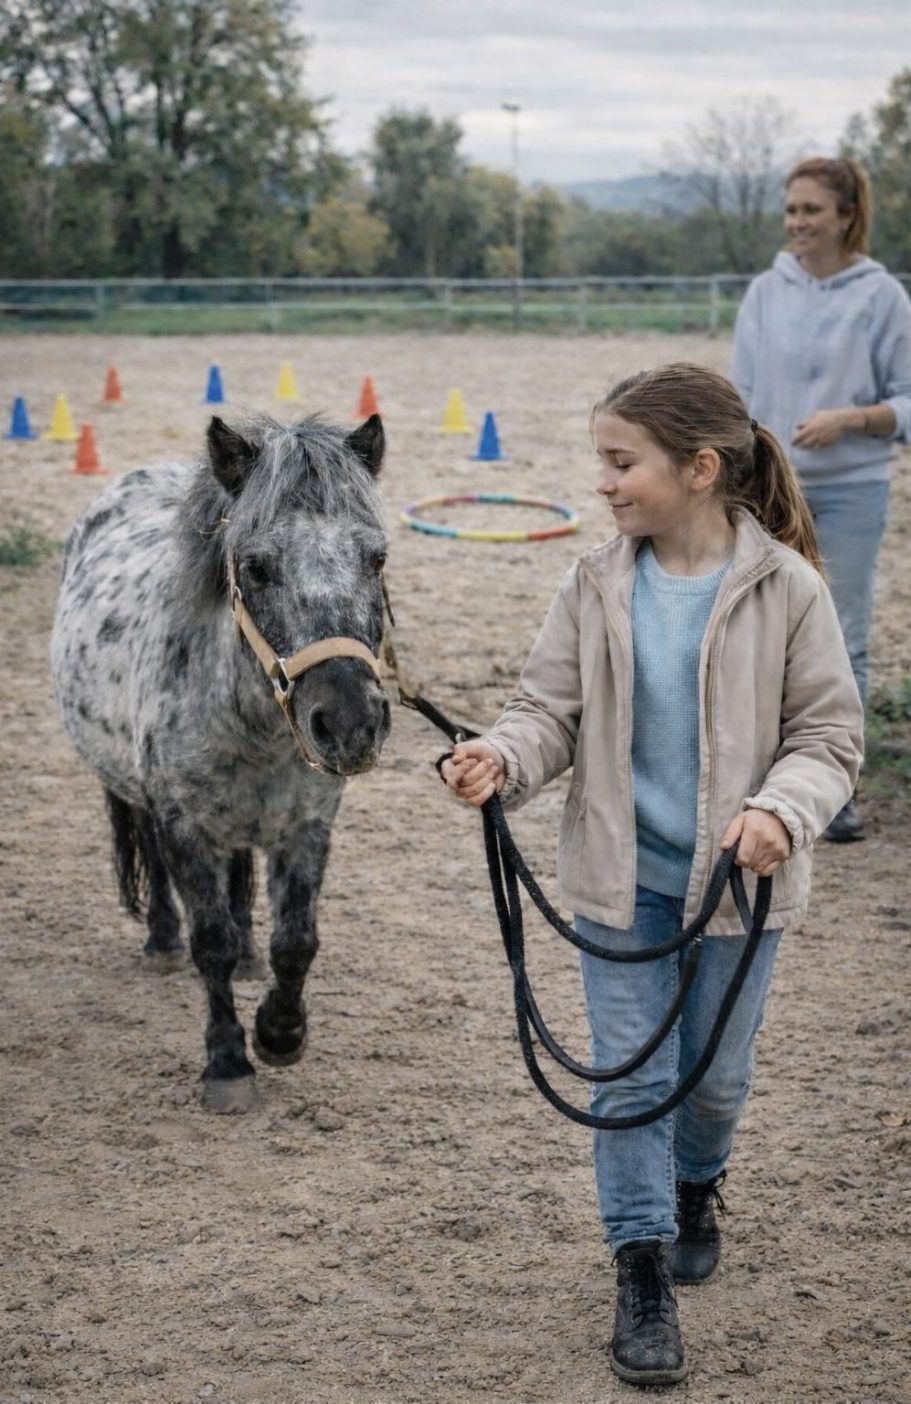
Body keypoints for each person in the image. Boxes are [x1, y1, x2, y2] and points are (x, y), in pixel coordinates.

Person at [440, 363, 863, 1388]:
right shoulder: (592, 584)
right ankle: (639, 1269)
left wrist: (780, 810)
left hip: (736, 888)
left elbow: (826, 736)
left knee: (711, 1082)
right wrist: (500, 756)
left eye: (621, 462)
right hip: (618, 881)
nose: (604, 482)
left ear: (699, 468)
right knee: (631, 1078)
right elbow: (545, 711)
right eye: (602, 461)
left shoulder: (788, 589)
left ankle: (696, 1186)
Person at [731, 155, 911, 842]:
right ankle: (759, 777)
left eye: (811, 210)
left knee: (843, 637)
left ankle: (835, 790)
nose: (797, 222)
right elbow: (740, 397)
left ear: (846, 215)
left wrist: (852, 419)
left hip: (850, 493)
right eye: (791, 209)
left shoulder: (883, 297)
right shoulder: (764, 293)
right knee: (760, 632)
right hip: (769, 490)